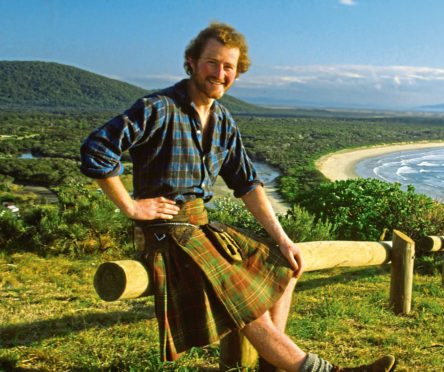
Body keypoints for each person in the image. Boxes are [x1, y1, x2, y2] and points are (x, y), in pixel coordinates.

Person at [80, 22, 396, 372]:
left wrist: (283, 239)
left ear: (237, 73)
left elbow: (246, 183)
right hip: (165, 233)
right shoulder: (158, 108)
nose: (219, 73)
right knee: (246, 305)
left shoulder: (223, 121)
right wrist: (130, 205)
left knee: (285, 266)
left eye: (228, 67)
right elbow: (97, 148)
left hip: (200, 226)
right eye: (211, 63)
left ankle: (272, 365)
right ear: (191, 62)